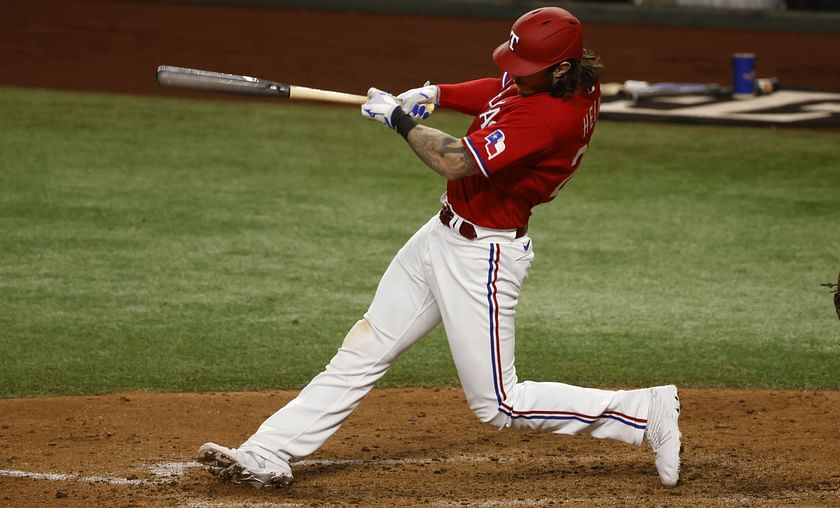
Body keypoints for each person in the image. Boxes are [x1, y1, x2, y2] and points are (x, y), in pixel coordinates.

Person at [197, 6, 682, 489]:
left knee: (499, 404)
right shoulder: (566, 80)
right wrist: (437, 94)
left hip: (484, 257)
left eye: (526, 70)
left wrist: (400, 121)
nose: (514, 75)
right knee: (365, 348)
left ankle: (643, 411)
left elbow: (455, 160)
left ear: (559, 68)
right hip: (441, 235)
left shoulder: (548, 119)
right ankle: (269, 450)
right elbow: (501, 90)